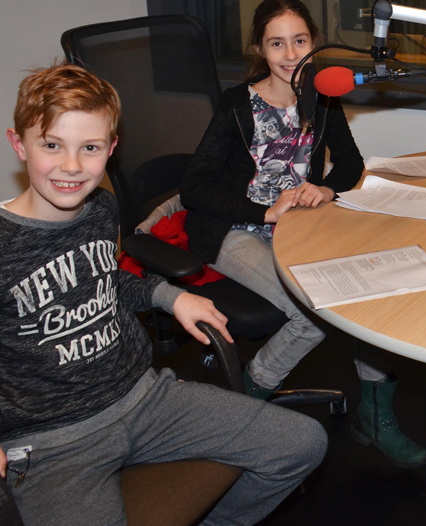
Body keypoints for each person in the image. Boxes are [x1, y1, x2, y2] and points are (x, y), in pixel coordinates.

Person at [0, 64, 327, 525]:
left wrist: (168, 295)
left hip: (143, 399)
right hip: (53, 440)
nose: (71, 167)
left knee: (303, 443)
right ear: (19, 145)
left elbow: (103, 282)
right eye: (52, 145)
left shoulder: (99, 208)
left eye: (89, 148)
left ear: (111, 150)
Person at [179, 0, 426, 469]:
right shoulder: (237, 106)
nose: (291, 54)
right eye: (277, 44)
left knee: (367, 299)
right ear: (259, 48)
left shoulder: (324, 96)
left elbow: (351, 163)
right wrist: (265, 210)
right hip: (235, 227)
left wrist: (326, 189)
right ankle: (244, 403)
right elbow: (195, 187)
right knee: (312, 314)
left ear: (314, 42)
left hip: (300, 227)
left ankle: (374, 419)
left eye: (299, 41)